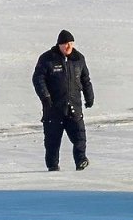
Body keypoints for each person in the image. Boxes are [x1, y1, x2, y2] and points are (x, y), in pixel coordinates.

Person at [32, 29, 95, 172]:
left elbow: (85, 80)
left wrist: (89, 96)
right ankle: (53, 167)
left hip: (74, 108)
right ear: (59, 44)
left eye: (71, 43)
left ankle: (81, 161)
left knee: (80, 137)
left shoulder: (78, 59)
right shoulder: (47, 59)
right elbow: (38, 79)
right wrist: (45, 96)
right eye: (66, 44)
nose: (69, 47)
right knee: (52, 142)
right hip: (54, 109)